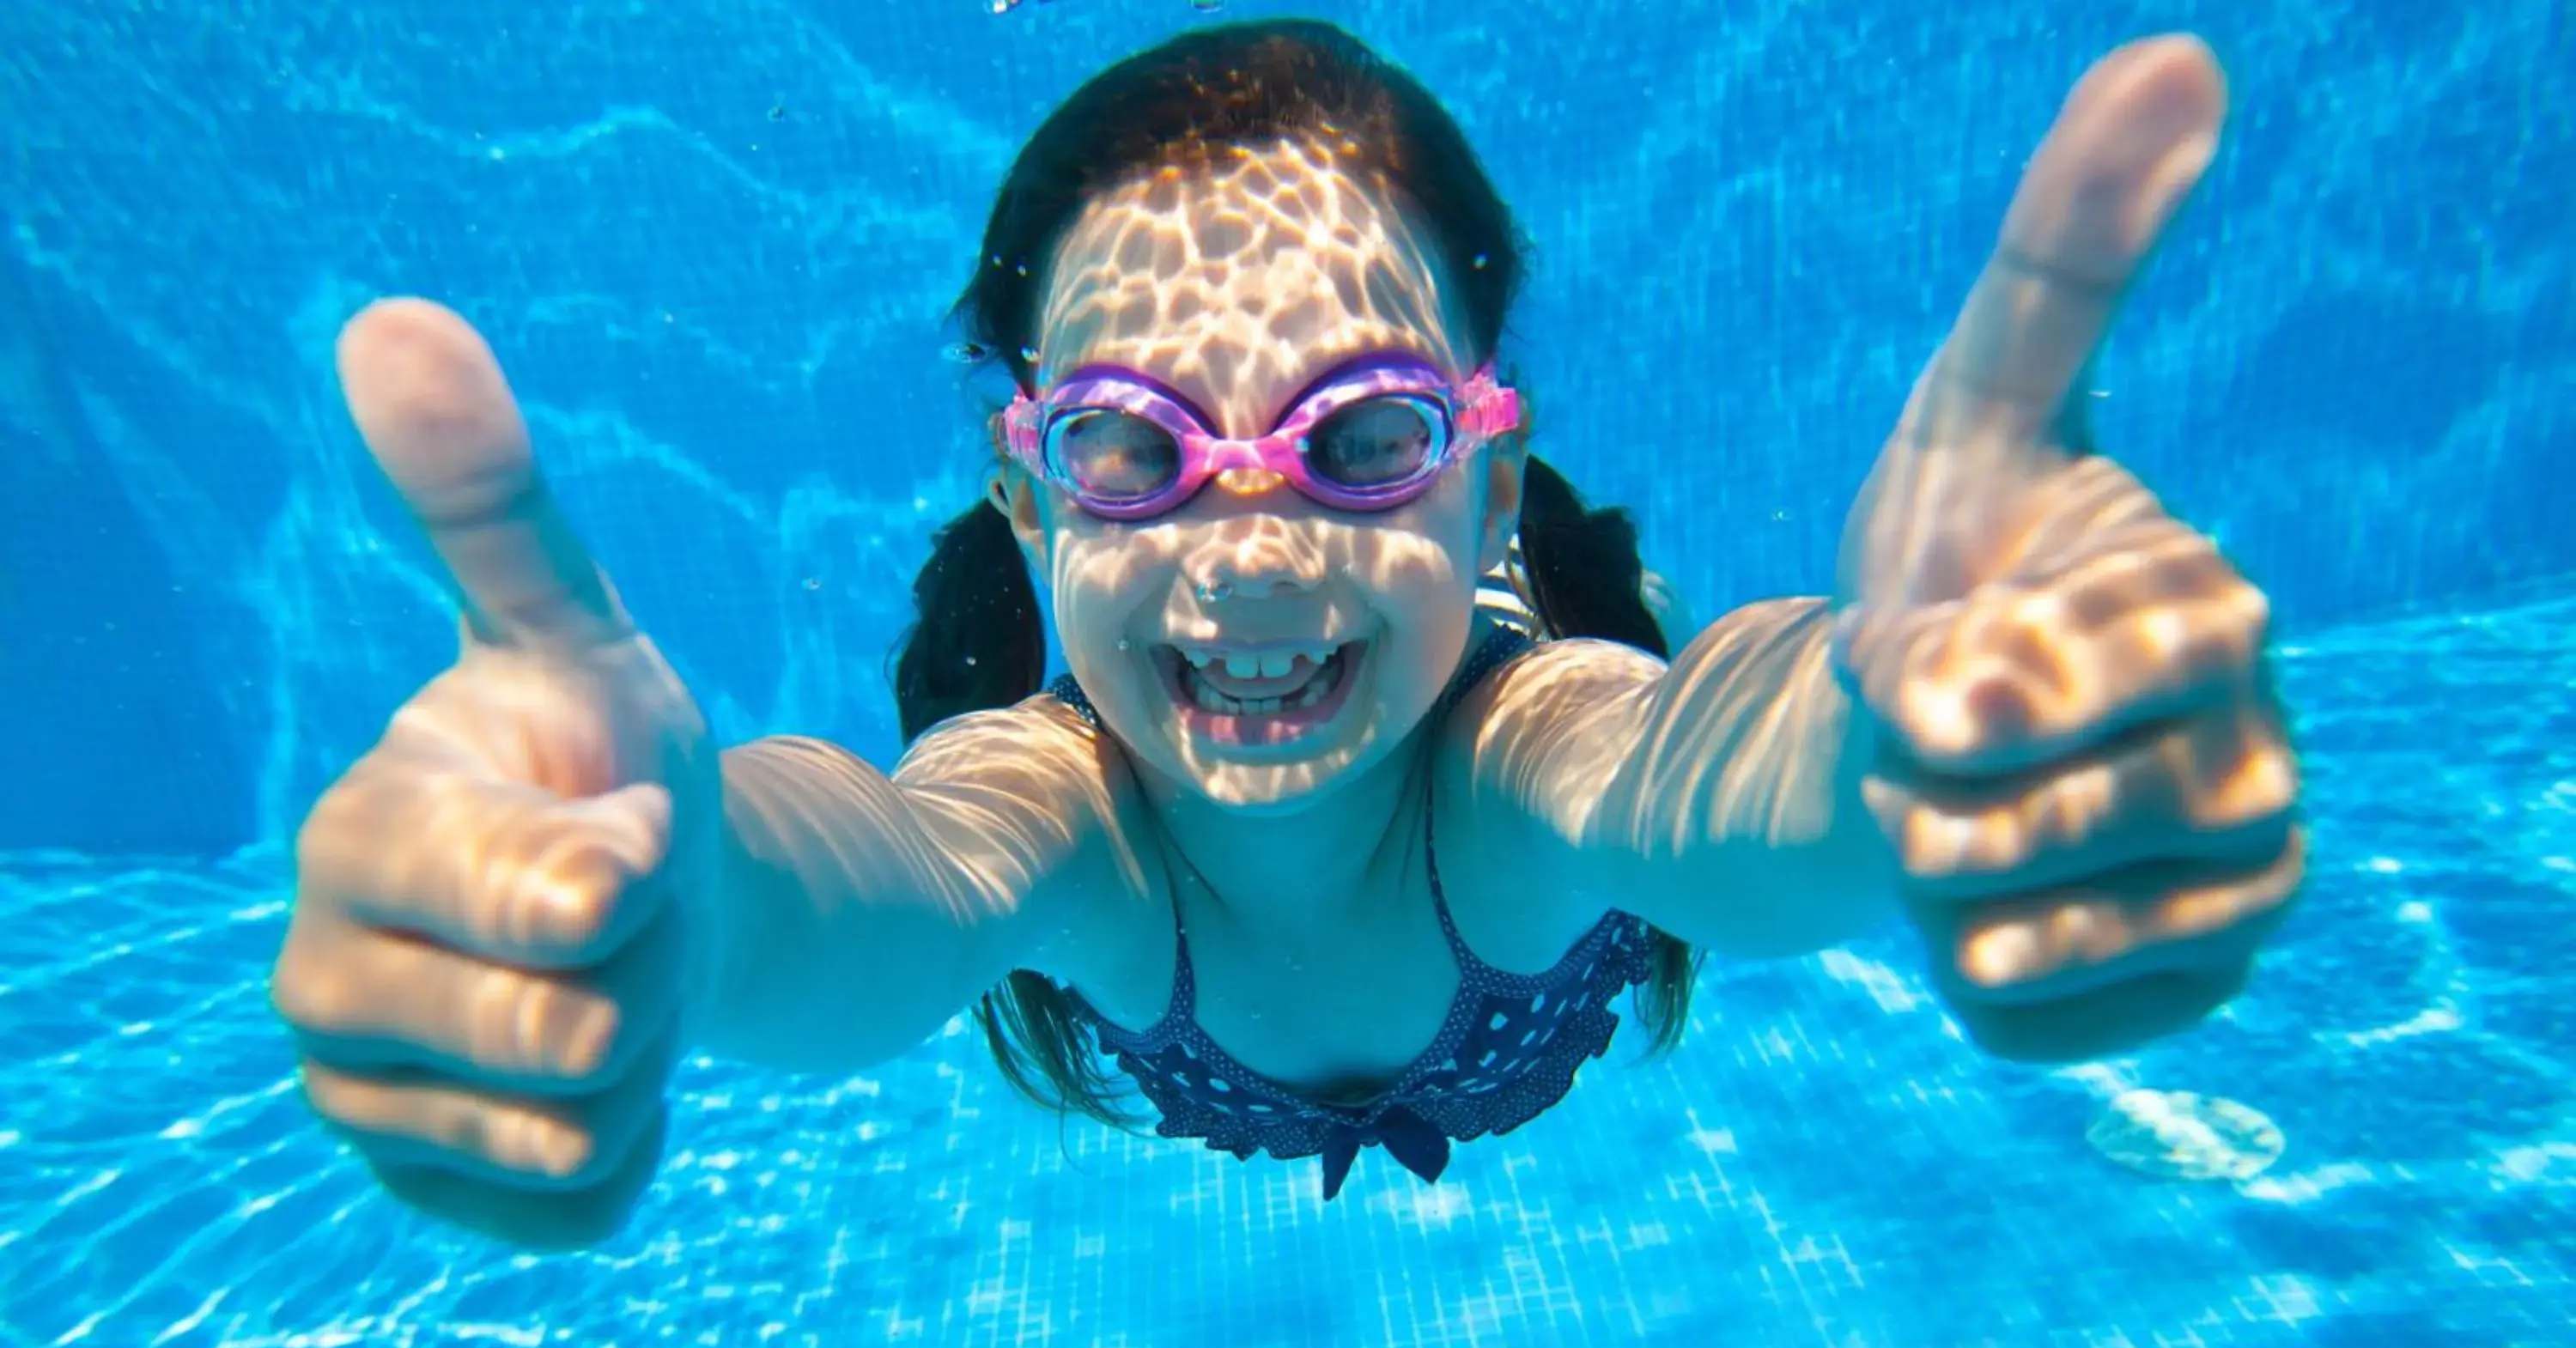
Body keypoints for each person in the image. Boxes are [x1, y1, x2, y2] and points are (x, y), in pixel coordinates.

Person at [270, 21, 2304, 1249]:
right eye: (1132, 449)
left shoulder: (1521, 770)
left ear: (1486, 487)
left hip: (1522, 706)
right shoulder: (1066, 820)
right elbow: (875, 874)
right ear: (1029, 501)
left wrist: (1904, 730)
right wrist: (675, 885)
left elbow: (1703, 764)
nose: (1245, 555)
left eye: (1365, 434)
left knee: (1630, 630)